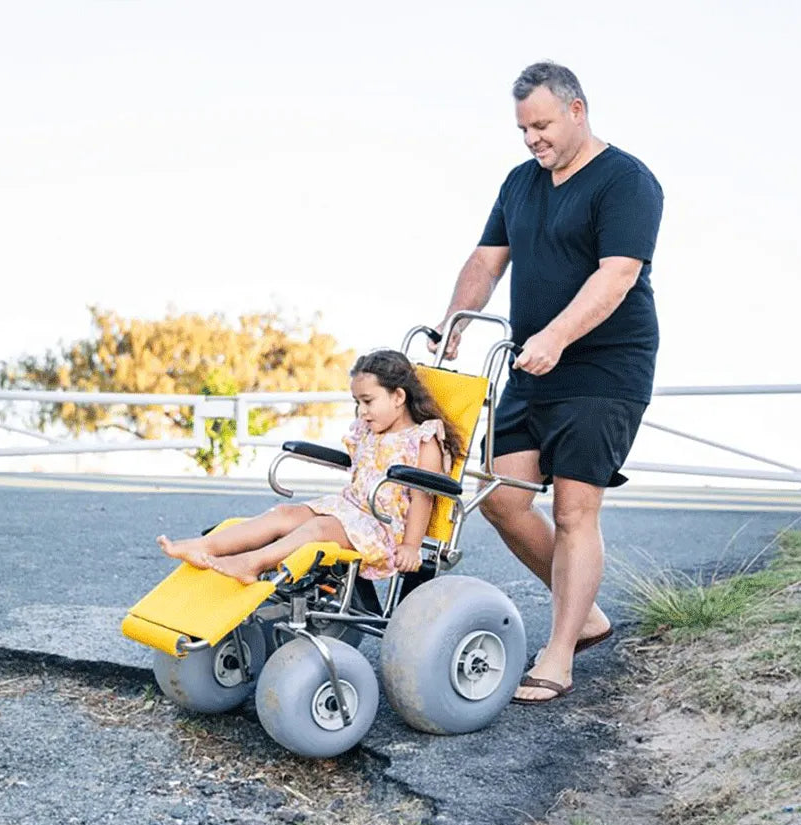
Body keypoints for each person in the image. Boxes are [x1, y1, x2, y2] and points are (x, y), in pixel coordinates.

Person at [433, 62, 663, 703]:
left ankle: (558, 654)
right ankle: (583, 614)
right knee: (503, 499)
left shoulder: (626, 180)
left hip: (604, 367)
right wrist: (455, 322)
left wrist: (557, 337)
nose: (532, 138)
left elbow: (616, 276)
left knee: (573, 509)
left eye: (541, 124)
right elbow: (486, 259)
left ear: (577, 111)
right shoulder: (520, 183)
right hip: (532, 365)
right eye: (523, 128)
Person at [157, 350, 463, 585]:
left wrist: (411, 546)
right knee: (284, 514)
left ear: (398, 396)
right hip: (347, 509)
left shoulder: (422, 439)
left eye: (368, 401)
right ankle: (204, 547)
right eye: (358, 402)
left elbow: (425, 495)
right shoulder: (369, 429)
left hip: (381, 530)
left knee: (316, 529)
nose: (362, 411)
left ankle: (252, 563)